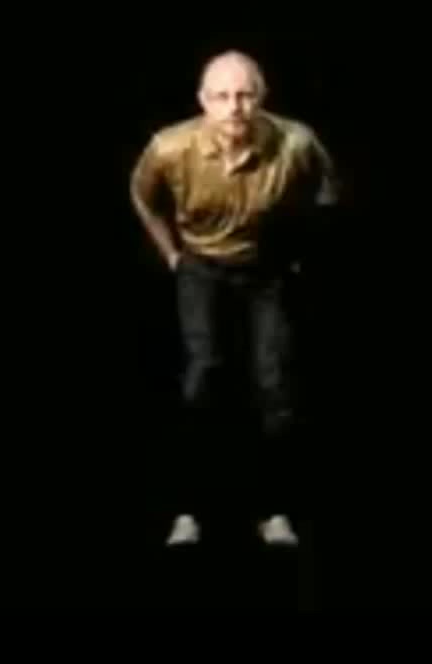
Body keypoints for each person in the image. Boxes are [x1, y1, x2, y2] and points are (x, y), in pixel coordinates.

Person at [130, 50, 341, 546]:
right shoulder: (169, 147)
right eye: (222, 96)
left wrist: (298, 250)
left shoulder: (296, 142)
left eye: (245, 95)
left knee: (275, 382)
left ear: (262, 98)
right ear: (203, 101)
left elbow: (326, 193)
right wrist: (171, 255)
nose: (234, 108)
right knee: (203, 376)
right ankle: (189, 511)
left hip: (267, 267)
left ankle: (274, 511)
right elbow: (143, 196)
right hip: (201, 265)